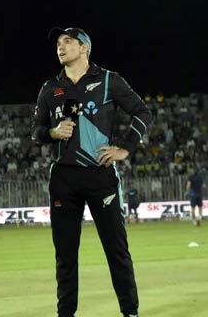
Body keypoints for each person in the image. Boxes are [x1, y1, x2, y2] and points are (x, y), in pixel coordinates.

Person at [32, 27, 152, 317]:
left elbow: (143, 112)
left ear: (84, 48)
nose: (61, 47)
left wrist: (124, 149)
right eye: (58, 43)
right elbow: (36, 133)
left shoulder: (109, 80)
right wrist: (53, 131)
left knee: (116, 251)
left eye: (68, 42)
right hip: (63, 179)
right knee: (65, 256)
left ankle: (130, 313)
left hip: (101, 177)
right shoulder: (51, 87)